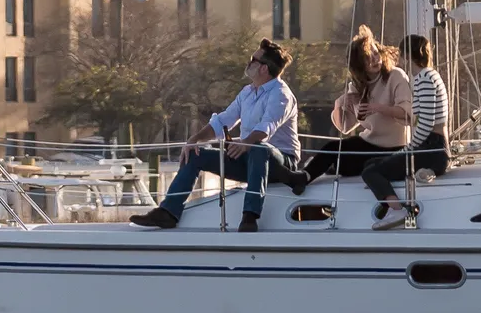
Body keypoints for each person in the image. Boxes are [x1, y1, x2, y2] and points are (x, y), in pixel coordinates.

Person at [130, 39, 304, 232]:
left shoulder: (281, 94)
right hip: (249, 158)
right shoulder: (247, 92)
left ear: (264, 68)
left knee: (258, 148)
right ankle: (168, 213)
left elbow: (267, 127)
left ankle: (250, 217)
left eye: (252, 59)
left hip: (281, 163)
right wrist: (194, 140)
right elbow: (222, 121)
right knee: (196, 153)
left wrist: (246, 143)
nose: (248, 62)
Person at [301, 25, 412, 183]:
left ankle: (339, 168)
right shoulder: (358, 86)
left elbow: (407, 115)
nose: (374, 59)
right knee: (332, 149)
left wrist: (378, 108)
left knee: (357, 165)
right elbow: (345, 127)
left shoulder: (395, 76)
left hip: (394, 148)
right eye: (367, 58)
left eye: (375, 53)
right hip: (368, 144)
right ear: (359, 65)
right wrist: (340, 104)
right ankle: (304, 177)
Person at [362, 33, 450, 230]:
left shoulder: (424, 79)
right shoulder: (429, 75)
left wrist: (406, 150)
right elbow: (423, 120)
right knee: (370, 163)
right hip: (433, 147)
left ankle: (397, 210)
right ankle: (389, 201)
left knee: (371, 171)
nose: (400, 60)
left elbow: (425, 125)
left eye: (402, 55)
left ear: (409, 57)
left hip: (431, 149)